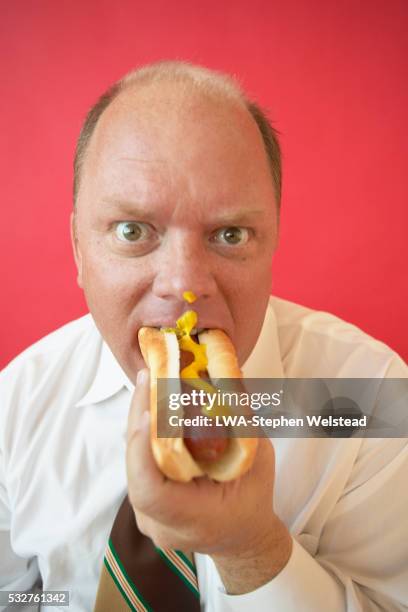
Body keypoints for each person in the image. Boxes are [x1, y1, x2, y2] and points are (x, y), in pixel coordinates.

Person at [0, 61, 407, 612]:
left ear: (272, 242)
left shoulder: (371, 399)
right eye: (132, 231)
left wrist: (251, 549)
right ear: (78, 247)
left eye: (230, 234)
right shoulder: (18, 402)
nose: (185, 286)